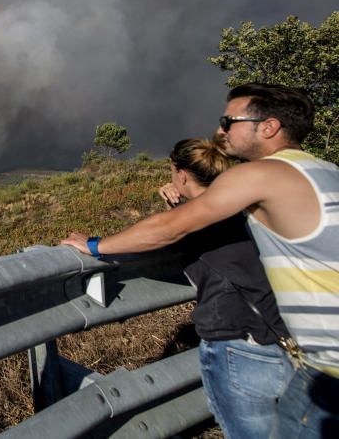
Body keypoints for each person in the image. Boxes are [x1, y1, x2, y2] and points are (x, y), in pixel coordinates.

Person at [61, 83, 339, 438]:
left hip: (325, 369)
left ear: (268, 127)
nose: (221, 129)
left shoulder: (262, 174)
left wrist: (95, 245)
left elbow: (170, 229)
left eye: (229, 120)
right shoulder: (324, 171)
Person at [160, 137, 291, 439]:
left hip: (234, 342)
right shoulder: (249, 210)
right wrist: (176, 207)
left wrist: (92, 244)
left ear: (180, 174)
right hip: (280, 334)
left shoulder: (194, 220)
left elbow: (167, 233)